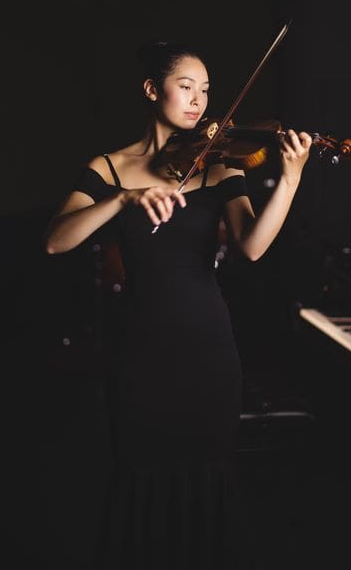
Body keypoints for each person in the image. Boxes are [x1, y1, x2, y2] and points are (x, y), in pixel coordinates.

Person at [44, 41, 312, 569]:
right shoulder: (110, 168)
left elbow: (252, 246)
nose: (198, 100)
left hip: (209, 353)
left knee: (209, 482)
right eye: (185, 86)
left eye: (206, 90)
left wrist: (292, 179)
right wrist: (120, 199)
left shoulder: (218, 167)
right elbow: (55, 240)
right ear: (152, 90)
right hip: (139, 354)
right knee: (139, 479)